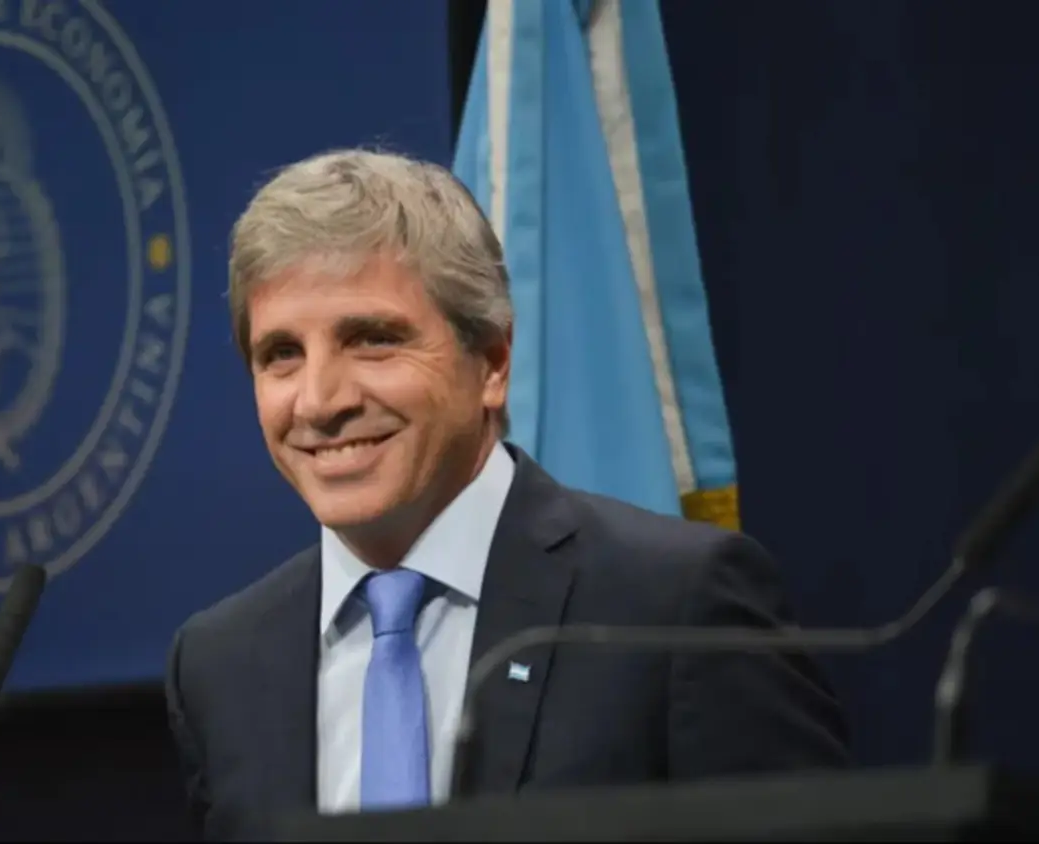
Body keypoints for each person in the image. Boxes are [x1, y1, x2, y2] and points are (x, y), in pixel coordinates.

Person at [163, 149, 850, 841]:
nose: (319, 401)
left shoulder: (675, 606)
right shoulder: (220, 664)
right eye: (281, 354)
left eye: (372, 340)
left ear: (492, 362)